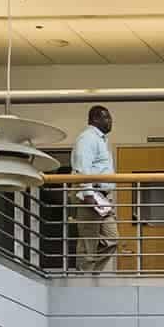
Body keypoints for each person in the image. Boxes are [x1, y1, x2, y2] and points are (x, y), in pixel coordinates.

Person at [70, 105, 118, 274]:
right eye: (106, 117)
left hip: (102, 197)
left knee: (112, 240)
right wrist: (88, 194)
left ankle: (92, 274)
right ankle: (84, 277)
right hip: (90, 195)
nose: (110, 121)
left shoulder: (101, 139)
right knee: (88, 241)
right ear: (95, 119)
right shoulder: (88, 138)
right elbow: (83, 169)